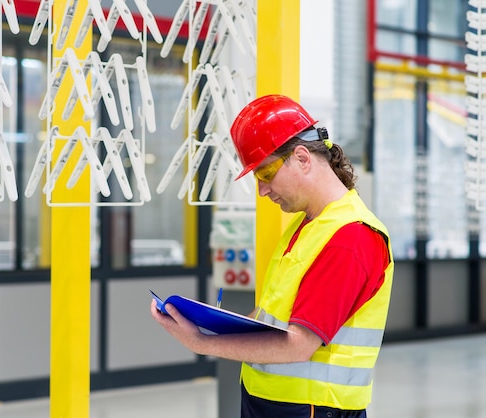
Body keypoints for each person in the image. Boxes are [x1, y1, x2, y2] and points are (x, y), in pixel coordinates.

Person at [150, 94, 394, 418]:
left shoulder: (350, 238)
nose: (263, 190)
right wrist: (210, 324)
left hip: (313, 409)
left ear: (303, 158)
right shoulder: (306, 225)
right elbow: (272, 320)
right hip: (270, 403)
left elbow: (298, 344)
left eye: (265, 174)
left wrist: (200, 343)